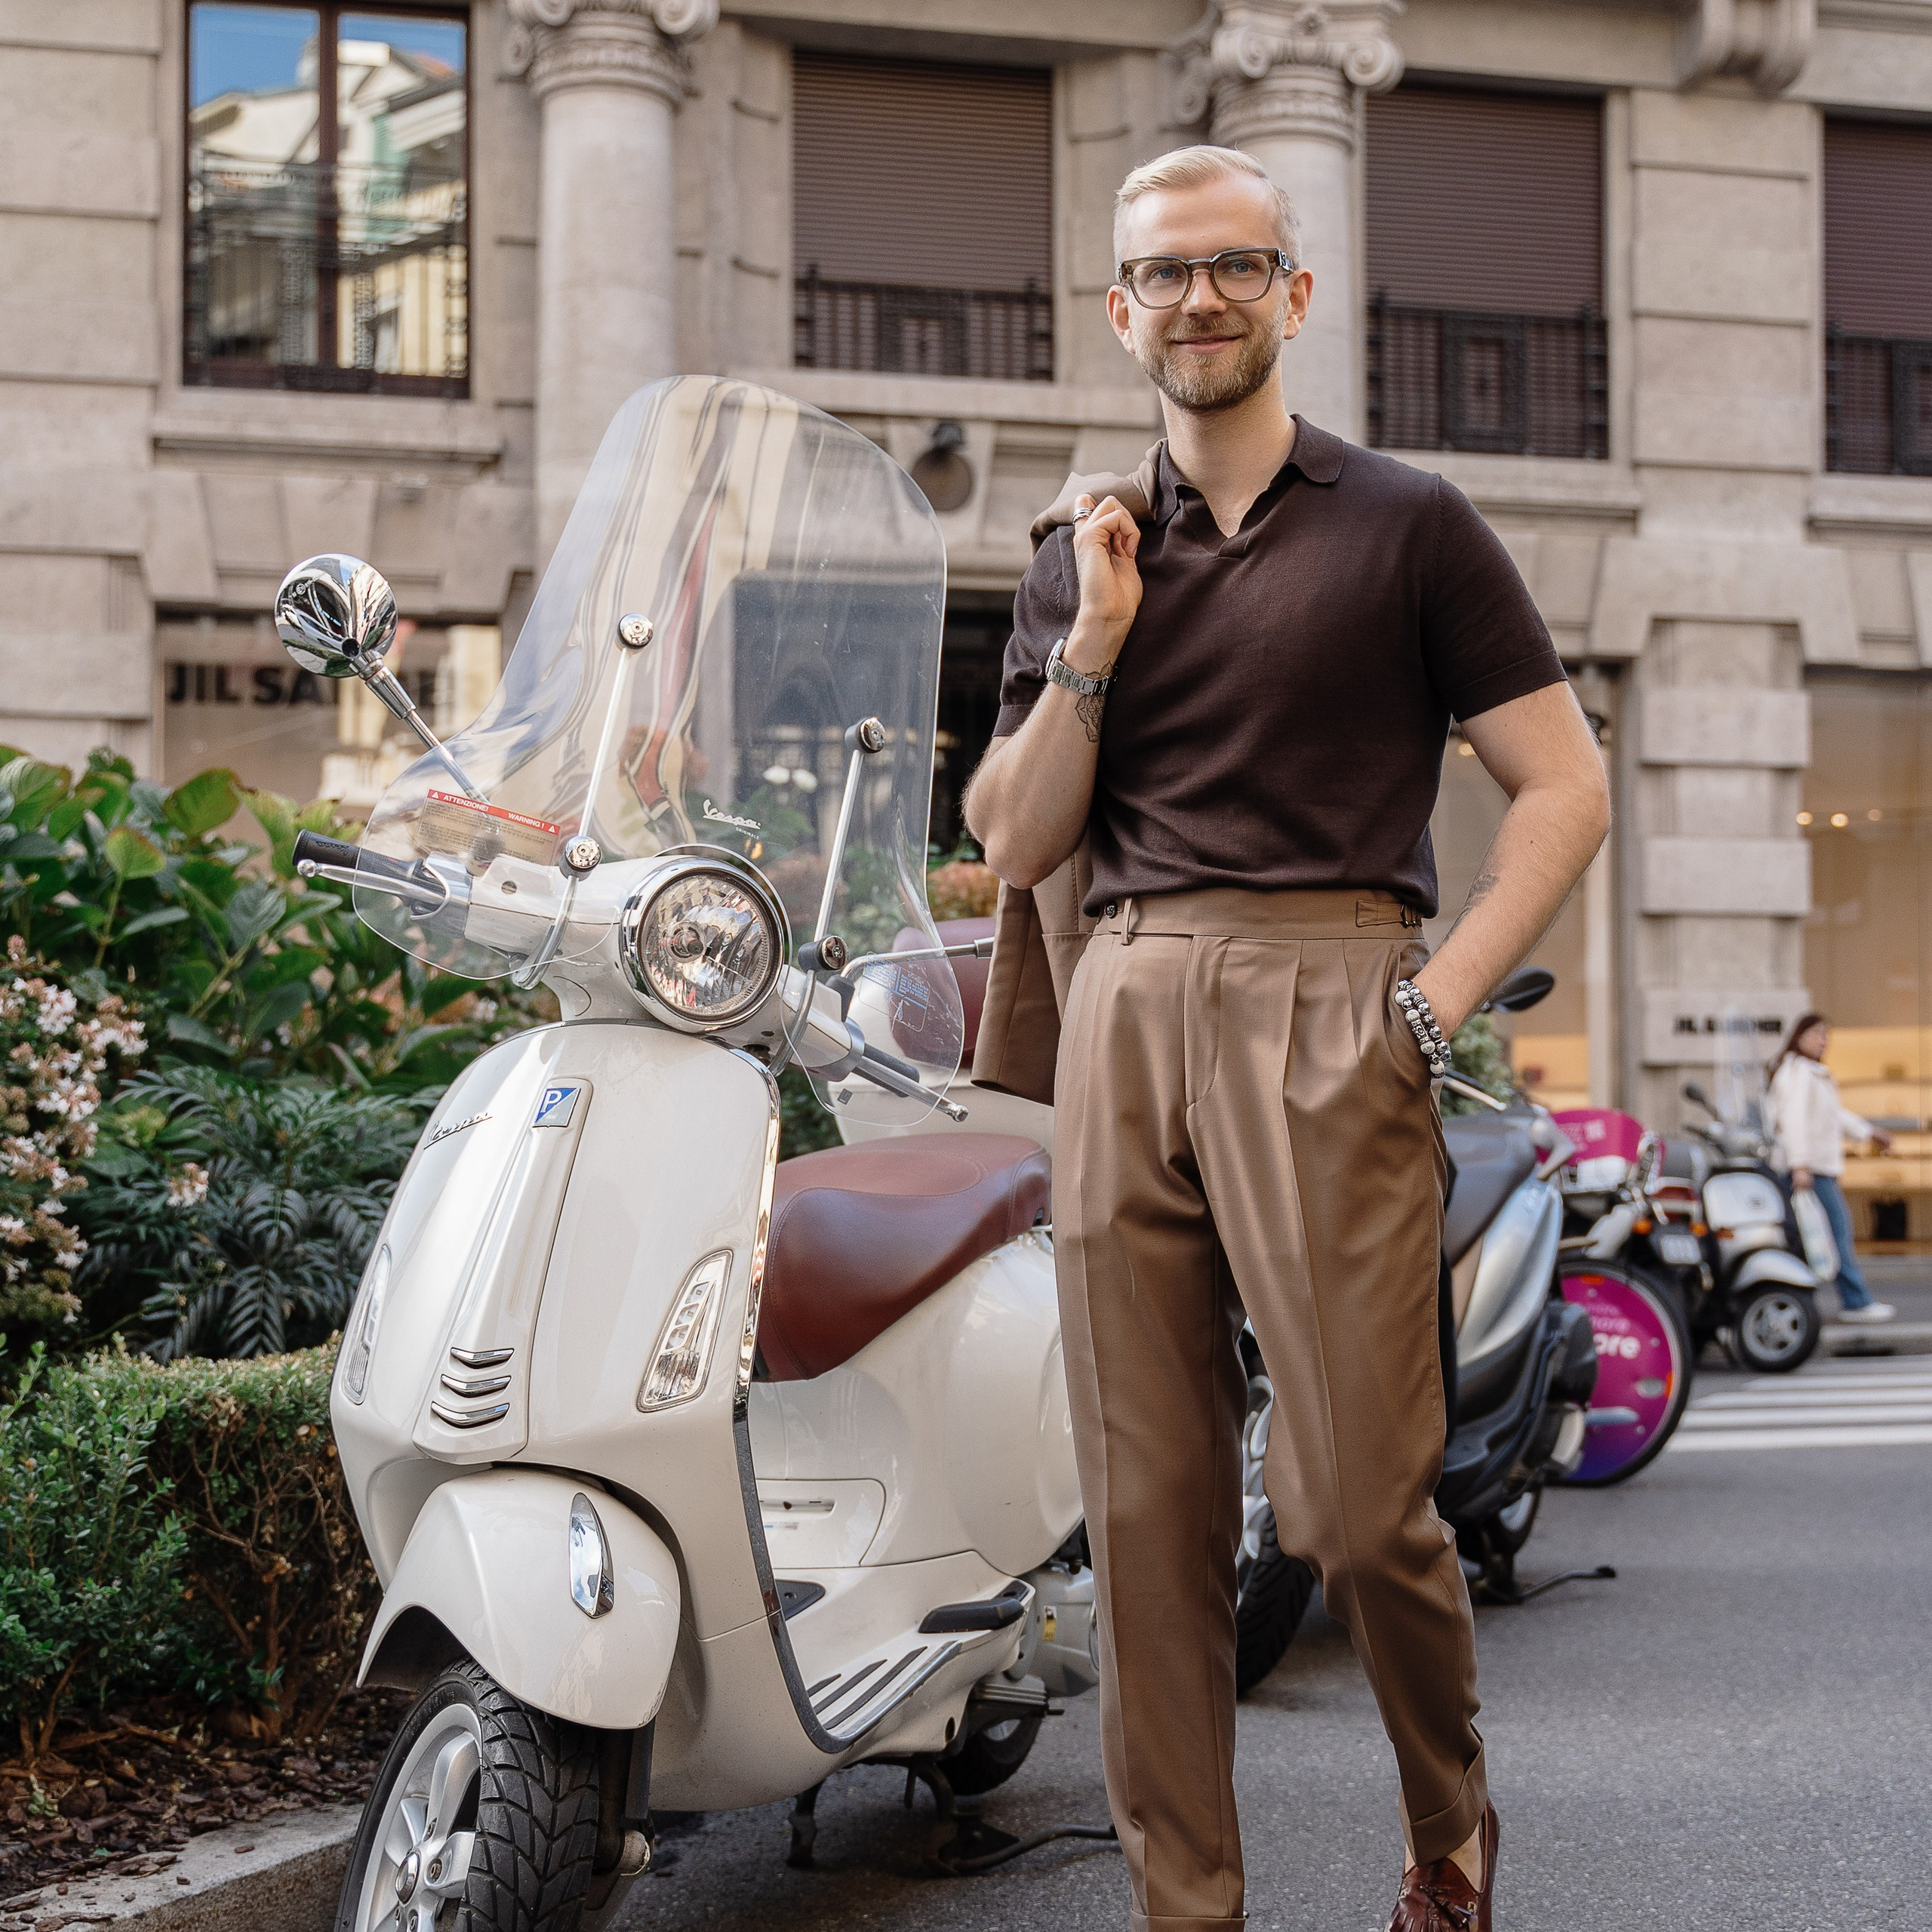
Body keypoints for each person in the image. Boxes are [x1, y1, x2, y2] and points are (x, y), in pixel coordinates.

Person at [964, 145, 1610, 1932]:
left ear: (1293, 293)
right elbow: (1015, 837)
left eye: (1234, 264)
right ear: (1117, 311)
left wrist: (1431, 996)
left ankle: (1447, 1818)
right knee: (1150, 1513)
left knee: (1342, 1500)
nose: (1199, 297)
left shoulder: (1408, 523)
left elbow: (1560, 786)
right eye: (1163, 273)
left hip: (1333, 989)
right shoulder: (1074, 558)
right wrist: (1092, 637)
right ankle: (1188, 1902)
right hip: (1124, 1003)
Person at [1767, 1012, 1896, 1324]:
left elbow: (1834, 1116)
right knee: (1834, 1233)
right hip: (1809, 1172)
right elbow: (1793, 1122)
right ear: (1799, 1037)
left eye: (1825, 1035)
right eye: (1816, 1034)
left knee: (1809, 1239)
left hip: (1812, 1170)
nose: (1822, 1041)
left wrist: (1870, 1133)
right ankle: (1855, 1301)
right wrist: (1800, 1166)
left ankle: (1801, 1304)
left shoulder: (1811, 1073)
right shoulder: (1798, 1073)